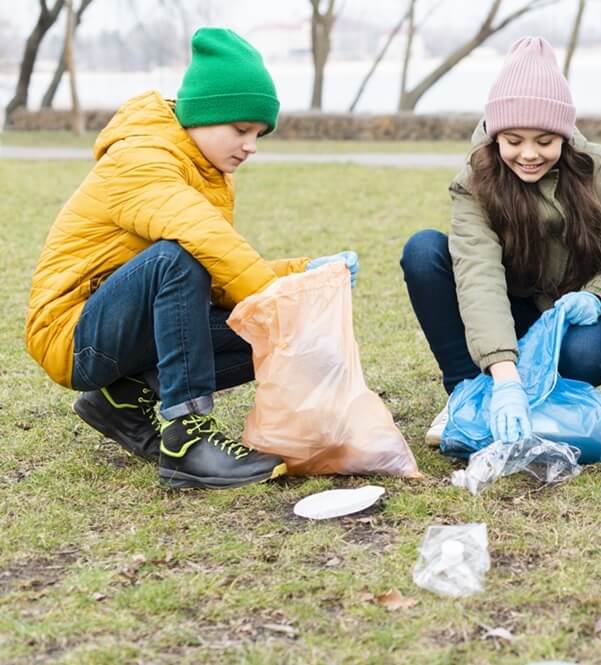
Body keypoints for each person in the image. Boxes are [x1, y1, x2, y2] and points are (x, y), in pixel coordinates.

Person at [24, 28, 359, 489]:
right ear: (204, 113)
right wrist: (275, 294)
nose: (251, 146)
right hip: (74, 334)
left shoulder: (205, 169)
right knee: (177, 258)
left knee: (274, 327)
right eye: (241, 130)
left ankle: (121, 399)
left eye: (259, 134)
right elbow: (201, 245)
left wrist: (302, 276)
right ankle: (187, 440)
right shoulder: (141, 157)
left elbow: (217, 276)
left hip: (122, 325)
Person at [401, 36, 601, 447]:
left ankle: (548, 396)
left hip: (570, 315)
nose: (529, 154)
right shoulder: (474, 181)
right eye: (514, 141)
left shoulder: (599, 167)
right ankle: (469, 394)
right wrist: (504, 377)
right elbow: (478, 276)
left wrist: (597, 297)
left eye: (544, 141)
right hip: (506, 308)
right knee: (424, 250)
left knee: (588, 357)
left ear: (565, 136)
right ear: (496, 136)